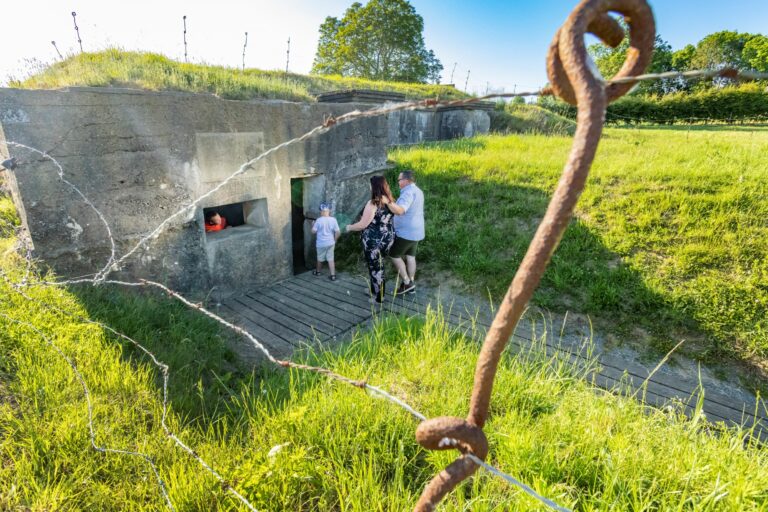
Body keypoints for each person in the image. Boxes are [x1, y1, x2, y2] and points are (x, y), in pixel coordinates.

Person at [346, 176, 396, 304]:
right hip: (388, 238)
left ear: (373, 186)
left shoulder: (372, 203)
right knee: (378, 265)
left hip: (374, 241)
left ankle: (379, 298)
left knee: (376, 267)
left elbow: (363, 224)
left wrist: (349, 227)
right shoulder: (389, 201)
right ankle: (374, 290)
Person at [386, 170, 424, 295]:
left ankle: (407, 283)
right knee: (410, 257)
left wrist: (388, 202)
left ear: (406, 181)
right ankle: (411, 284)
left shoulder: (408, 192)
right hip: (417, 232)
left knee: (394, 255)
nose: (398, 182)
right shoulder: (418, 191)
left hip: (406, 232)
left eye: (399, 180)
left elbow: (401, 210)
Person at [311, 202, 341, 281]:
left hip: (321, 244)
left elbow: (313, 232)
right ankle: (333, 275)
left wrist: (312, 225)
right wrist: (335, 240)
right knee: (330, 259)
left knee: (320, 258)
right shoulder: (333, 220)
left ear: (321, 211)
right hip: (331, 243)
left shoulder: (318, 220)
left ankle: (318, 272)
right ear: (329, 211)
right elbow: (338, 232)